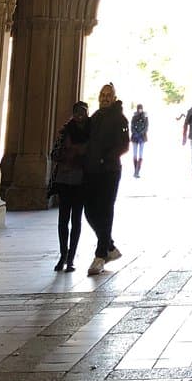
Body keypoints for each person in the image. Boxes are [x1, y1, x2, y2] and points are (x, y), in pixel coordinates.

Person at [83, 83, 129, 276]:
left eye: (108, 95)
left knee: (105, 209)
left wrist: (105, 158)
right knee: (90, 211)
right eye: (102, 94)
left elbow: (124, 145)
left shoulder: (120, 118)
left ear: (114, 97)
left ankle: (101, 255)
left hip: (109, 171)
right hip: (93, 171)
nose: (105, 97)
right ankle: (109, 246)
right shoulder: (95, 117)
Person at [49, 101, 90, 272]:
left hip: (81, 181)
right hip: (65, 180)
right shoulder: (65, 131)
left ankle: (71, 257)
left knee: (76, 220)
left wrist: (82, 154)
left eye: (83, 112)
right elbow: (54, 153)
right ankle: (63, 255)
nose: (80, 116)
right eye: (77, 112)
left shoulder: (91, 133)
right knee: (63, 220)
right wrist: (68, 152)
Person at [130, 104, 148, 178]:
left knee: (140, 155)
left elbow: (146, 126)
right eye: (139, 108)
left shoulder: (145, 116)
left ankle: (137, 171)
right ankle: (135, 170)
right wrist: (135, 133)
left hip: (142, 137)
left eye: (141, 108)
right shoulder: (134, 116)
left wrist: (141, 133)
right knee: (135, 155)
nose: (140, 110)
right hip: (135, 137)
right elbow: (132, 126)